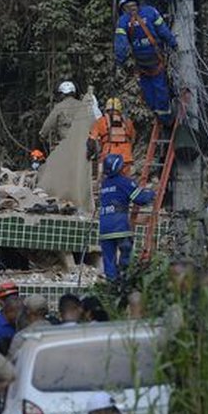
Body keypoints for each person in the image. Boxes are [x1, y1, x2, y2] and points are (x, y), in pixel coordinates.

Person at [114, 0, 178, 124]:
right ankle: (165, 117)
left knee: (147, 88)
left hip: (141, 61)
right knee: (159, 86)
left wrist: (119, 63)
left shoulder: (123, 21)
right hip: (156, 57)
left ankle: (157, 112)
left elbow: (121, 45)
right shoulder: (150, 12)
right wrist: (173, 44)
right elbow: (163, 31)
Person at [97, 153, 154, 281]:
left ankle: (111, 284)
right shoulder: (124, 182)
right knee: (126, 251)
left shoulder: (105, 184)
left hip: (105, 227)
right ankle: (123, 279)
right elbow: (140, 199)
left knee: (109, 258)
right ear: (120, 168)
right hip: (119, 225)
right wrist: (151, 193)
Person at [87, 97, 137, 175]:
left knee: (107, 182)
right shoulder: (127, 122)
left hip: (108, 157)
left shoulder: (101, 121)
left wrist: (89, 154)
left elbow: (91, 140)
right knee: (125, 181)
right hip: (126, 158)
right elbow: (133, 139)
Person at [39, 81, 86, 152]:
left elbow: (49, 123)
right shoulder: (83, 106)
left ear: (62, 94)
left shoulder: (59, 107)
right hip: (81, 144)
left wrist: (42, 135)